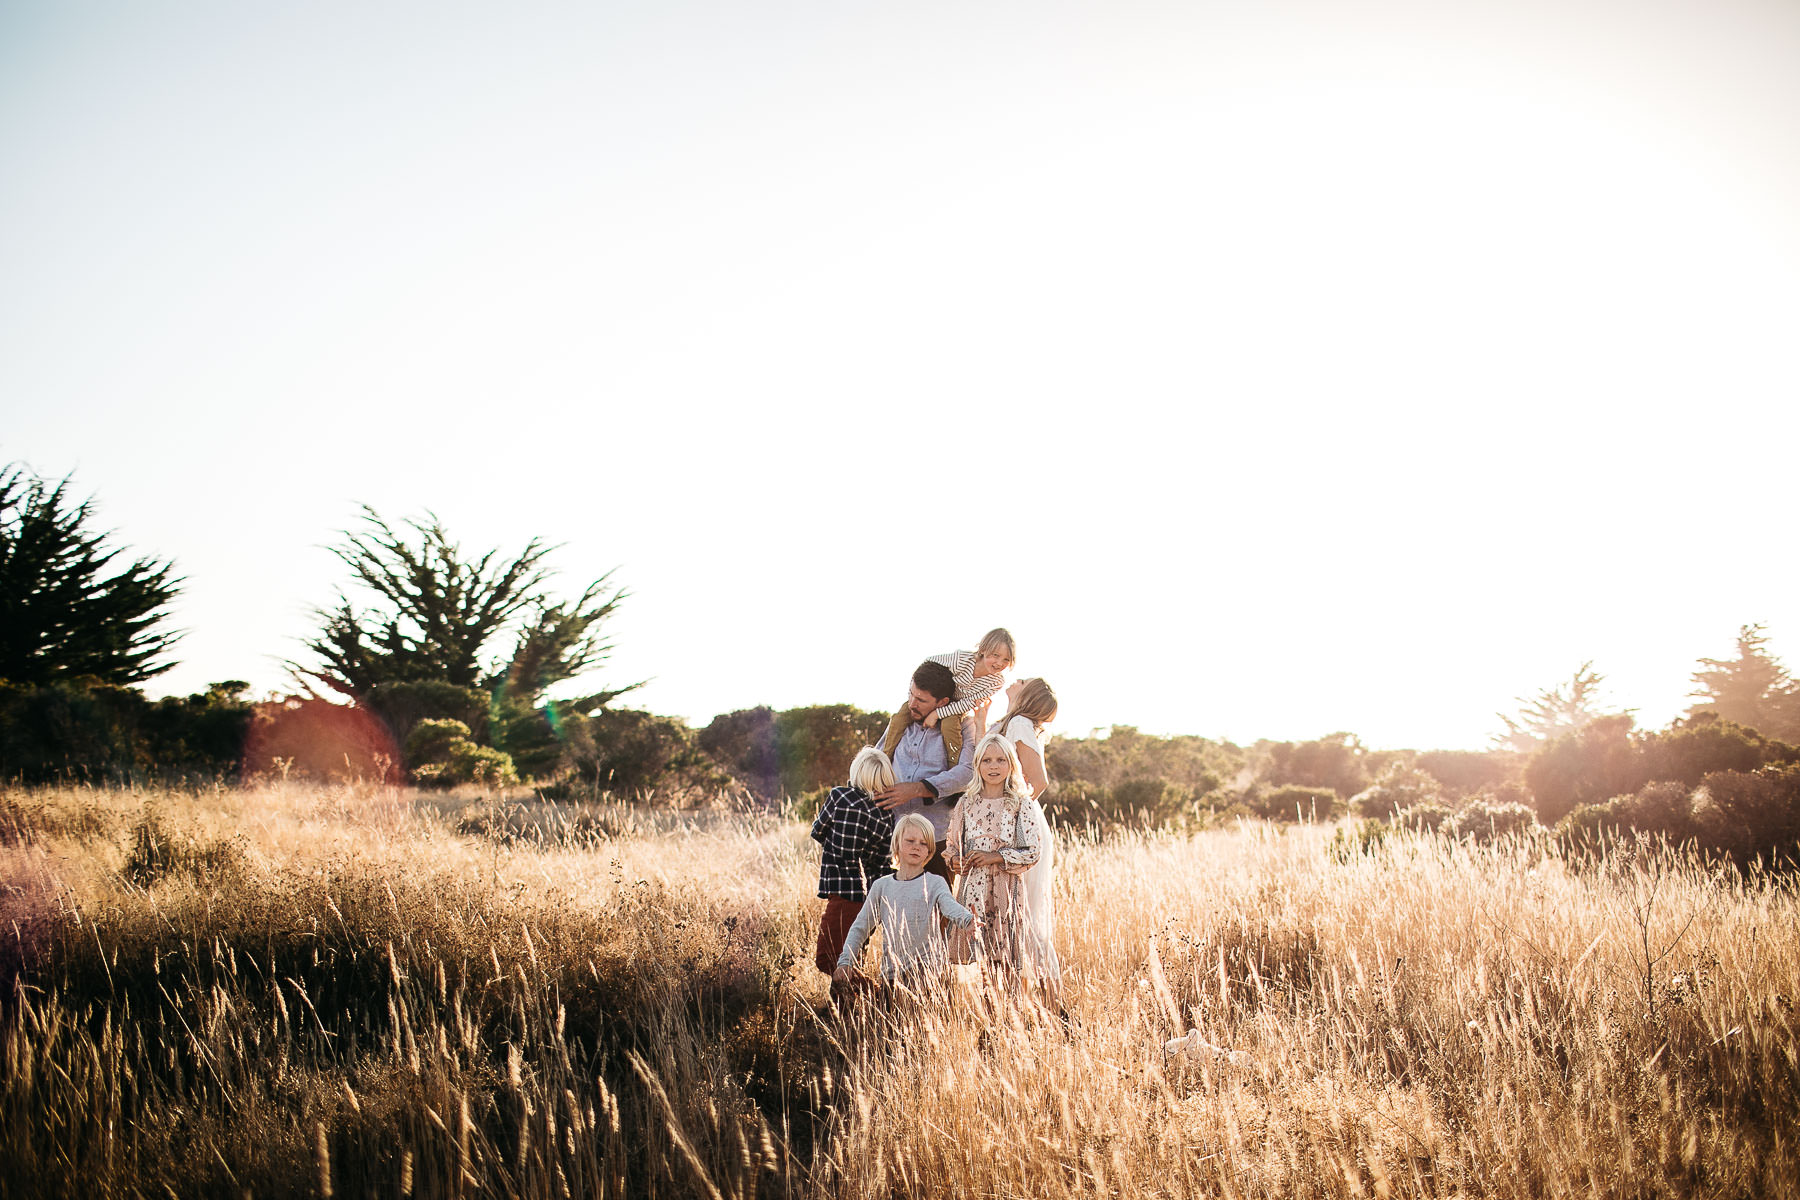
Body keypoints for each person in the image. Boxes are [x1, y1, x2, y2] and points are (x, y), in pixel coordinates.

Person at [834, 813, 980, 993]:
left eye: (923, 843)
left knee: (918, 999)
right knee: (845, 987)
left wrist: (968, 920)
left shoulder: (935, 883)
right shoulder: (882, 886)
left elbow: (950, 906)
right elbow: (860, 926)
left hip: (927, 971)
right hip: (892, 974)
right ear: (896, 844)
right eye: (910, 841)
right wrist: (846, 961)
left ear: (929, 851)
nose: (916, 846)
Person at [944, 734, 1045, 979]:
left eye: (1001, 760)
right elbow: (952, 846)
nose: (993, 766)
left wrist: (995, 857)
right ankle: (987, 1002)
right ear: (977, 764)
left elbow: (1032, 851)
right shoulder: (966, 803)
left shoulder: (1020, 803)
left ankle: (1009, 1003)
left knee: (1005, 957)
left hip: (1005, 889)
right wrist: (956, 861)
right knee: (982, 960)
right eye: (987, 760)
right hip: (974, 889)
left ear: (1011, 764)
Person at [871, 660, 977, 881]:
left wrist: (918, 789)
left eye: (921, 700)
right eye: (910, 695)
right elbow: (876, 759)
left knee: (937, 900)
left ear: (943, 702)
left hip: (936, 837)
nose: (912, 704)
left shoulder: (964, 726)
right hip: (890, 833)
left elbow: (968, 772)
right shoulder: (900, 723)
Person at [991, 678, 1061, 998]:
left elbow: (1039, 781)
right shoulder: (1013, 721)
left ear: (1028, 695)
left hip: (1022, 830)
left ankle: (1053, 1004)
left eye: (1024, 680)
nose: (1016, 678)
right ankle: (1022, 1004)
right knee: (1012, 917)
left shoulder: (1019, 723)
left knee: (1026, 916)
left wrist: (1010, 819)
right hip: (1009, 827)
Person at [810, 746, 898, 980]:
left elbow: (817, 831)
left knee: (828, 960)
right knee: (852, 959)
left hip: (842, 894)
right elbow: (881, 863)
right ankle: (851, 1005)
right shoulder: (887, 814)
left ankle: (877, 994)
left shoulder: (839, 796)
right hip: (869, 899)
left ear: (857, 770)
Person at [922, 628, 1017, 733]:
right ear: (983, 650)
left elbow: (968, 704)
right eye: (995, 655)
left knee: (950, 726)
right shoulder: (962, 660)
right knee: (908, 713)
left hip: (956, 707)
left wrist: (936, 714)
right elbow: (929, 662)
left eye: (1006, 660)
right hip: (936, 694)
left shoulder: (996, 682)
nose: (1000, 663)